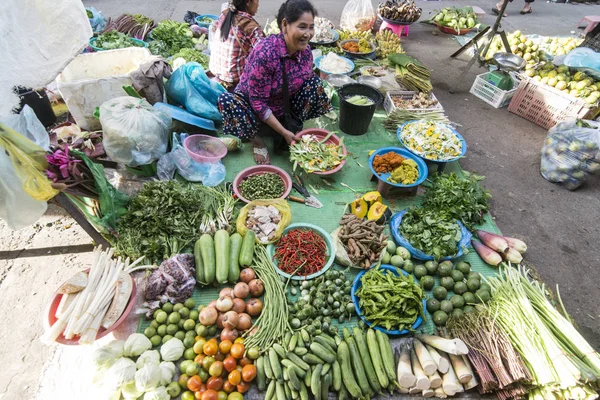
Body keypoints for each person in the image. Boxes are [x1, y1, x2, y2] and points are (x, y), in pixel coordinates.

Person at [218, 0, 332, 164]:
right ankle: (257, 139)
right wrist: (283, 131)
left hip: (283, 104)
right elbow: (257, 103)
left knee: (315, 84)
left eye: (311, 27)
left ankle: (293, 127)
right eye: (302, 27)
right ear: (285, 25)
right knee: (226, 101)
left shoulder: (306, 52)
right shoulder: (265, 53)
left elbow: (306, 82)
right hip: (254, 108)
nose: (308, 34)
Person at [208, 0, 264, 91]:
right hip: (234, 82)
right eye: (257, 1)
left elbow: (213, 28)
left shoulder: (224, 14)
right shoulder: (250, 26)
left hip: (216, 73)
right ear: (248, 2)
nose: (258, 5)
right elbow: (265, 53)